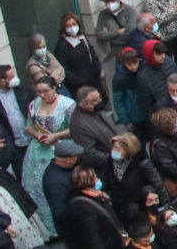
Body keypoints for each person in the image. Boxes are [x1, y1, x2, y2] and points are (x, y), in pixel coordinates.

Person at [20, 78, 73, 235]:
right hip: (38, 149)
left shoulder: (67, 104)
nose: (41, 95)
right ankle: (48, 230)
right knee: (36, 185)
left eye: (45, 91)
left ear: (54, 88)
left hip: (60, 147)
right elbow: (28, 126)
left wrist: (54, 136)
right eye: (39, 91)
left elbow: (74, 127)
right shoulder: (34, 104)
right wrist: (38, 136)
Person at [63, 166, 125, 249]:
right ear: (87, 182)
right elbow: (92, 236)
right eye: (95, 178)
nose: (98, 180)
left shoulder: (98, 195)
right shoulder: (82, 207)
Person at [69, 86, 117, 154]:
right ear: (84, 104)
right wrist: (115, 157)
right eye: (96, 100)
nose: (100, 101)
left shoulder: (95, 111)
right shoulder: (79, 124)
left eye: (99, 97)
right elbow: (89, 153)